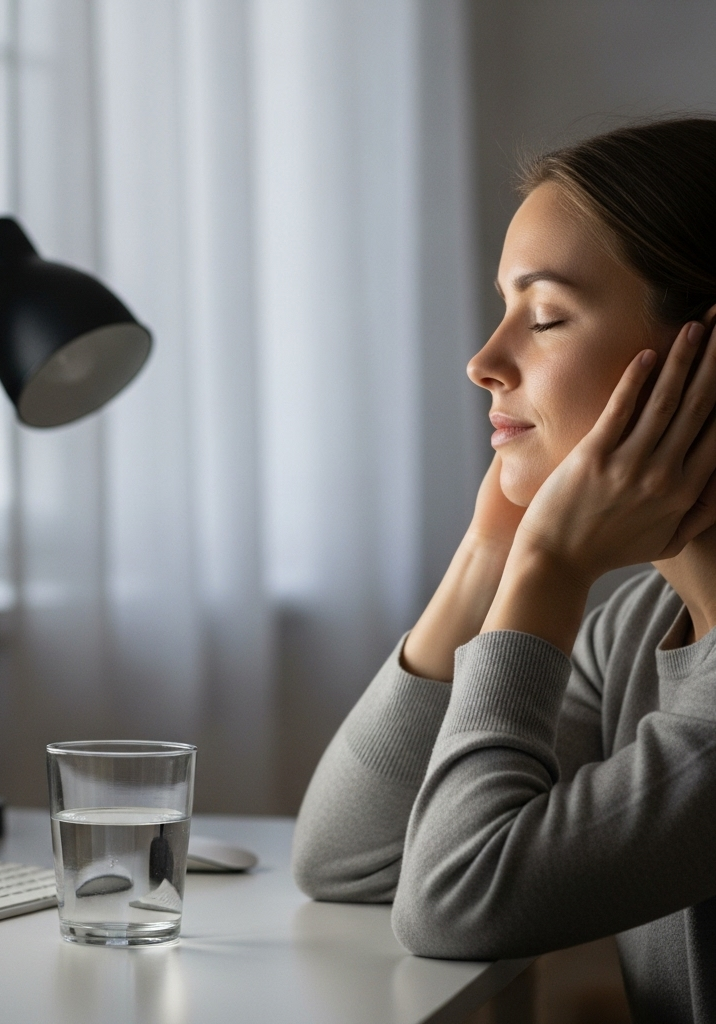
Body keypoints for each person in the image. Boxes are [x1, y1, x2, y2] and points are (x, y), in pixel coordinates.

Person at [291, 117, 716, 1024]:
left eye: (547, 315)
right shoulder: (638, 630)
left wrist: (551, 565)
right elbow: (349, 860)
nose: (484, 362)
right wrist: (492, 550)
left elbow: (456, 902)